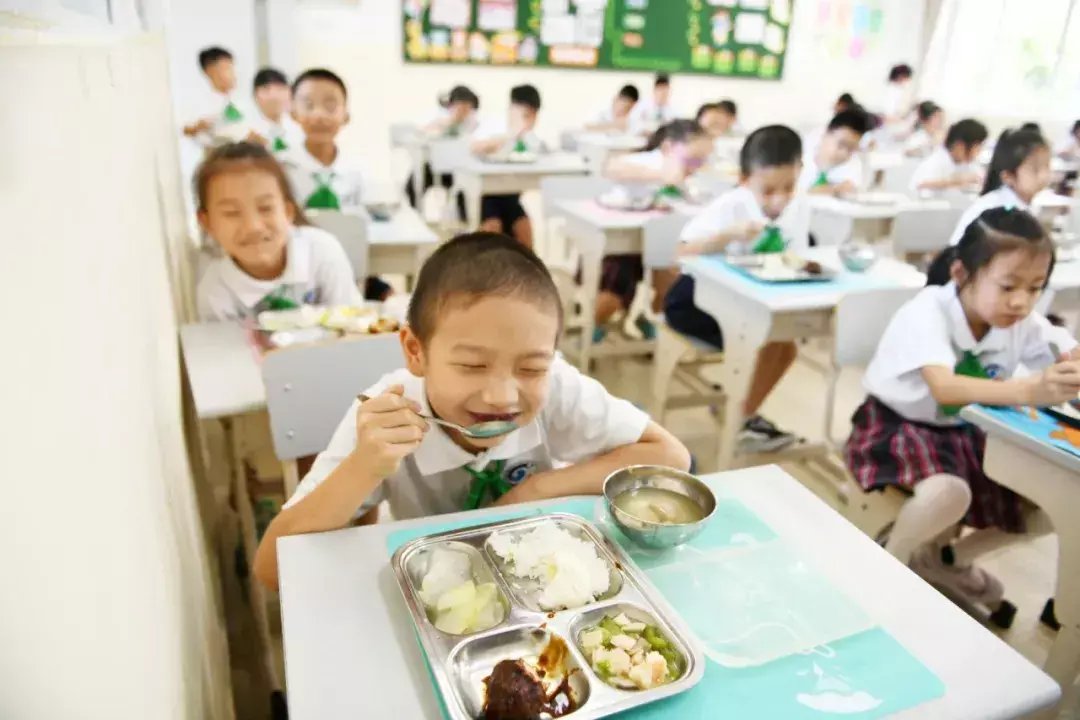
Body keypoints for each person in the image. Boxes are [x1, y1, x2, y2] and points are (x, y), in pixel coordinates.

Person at [252, 232, 692, 589]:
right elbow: (272, 569)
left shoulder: (556, 385)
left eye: (531, 367)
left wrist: (536, 490)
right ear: (415, 350)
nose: (502, 396)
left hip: (534, 575)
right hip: (436, 584)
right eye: (472, 365)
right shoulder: (386, 412)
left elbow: (671, 456)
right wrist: (363, 467)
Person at [845, 207, 1076, 605]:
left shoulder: (1024, 321)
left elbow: (1063, 351)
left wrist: (1069, 367)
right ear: (960, 274)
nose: (1022, 302)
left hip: (965, 432)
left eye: (1036, 287)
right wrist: (1031, 390)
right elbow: (946, 388)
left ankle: (945, 558)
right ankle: (889, 565)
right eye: (1008, 286)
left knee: (1055, 501)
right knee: (949, 493)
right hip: (898, 425)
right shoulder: (927, 311)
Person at [665, 126, 809, 453]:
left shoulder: (800, 208)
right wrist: (728, 235)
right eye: (769, 189)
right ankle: (739, 418)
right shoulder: (731, 205)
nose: (780, 198)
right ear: (746, 178)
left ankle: (740, 416)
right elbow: (679, 254)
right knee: (772, 341)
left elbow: (797, 258)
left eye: (789, 186)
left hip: (753, 304)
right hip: (696, 301)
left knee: (784, 344)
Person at [195, 142, 362, 321]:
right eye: (232, 213)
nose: (253, 226)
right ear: (207, 222)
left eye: (265, 208)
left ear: (288, 211)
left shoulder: (321, 252)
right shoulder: (215, 292)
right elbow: (225, 349)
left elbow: (353, 328)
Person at [280, 68, 392, 300]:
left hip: (349, 270)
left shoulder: (357, 170)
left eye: (330, 106)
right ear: (292, 112)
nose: (319, 115)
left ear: (346, 115)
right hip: (293, 275)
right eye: (308, 105)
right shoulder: (280, 169)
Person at [597, 119, 714, 341]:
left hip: (661, 244)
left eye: (701, 161)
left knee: (673, 278)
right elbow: (611, 167)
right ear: (668, 147)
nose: (695, 167)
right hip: (624, 245)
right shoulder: (651, 161)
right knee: (614, 293)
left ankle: (653, 319)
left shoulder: (688, 177)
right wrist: (660, 175)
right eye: (691, 159)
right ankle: (594, 327)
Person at [944, 128, 1051, 247]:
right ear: (1008, 176)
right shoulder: (1000, 210)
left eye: (1047, 166)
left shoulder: (1022, 204)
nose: (1044, 176)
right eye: (1035, 170)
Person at [470, 84, 547, 248]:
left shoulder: (529, 137)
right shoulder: (493, 124)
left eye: (532, 116)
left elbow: (539, 154)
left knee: (525, 229)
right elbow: (476, 147)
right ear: (512, 108)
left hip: (509, 197)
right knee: (493, 228)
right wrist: (511, 135)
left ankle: (526, 272)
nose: (528, 120)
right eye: (525, 114)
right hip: (483, 196)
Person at [404, 85, 479, 214]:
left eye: (467, 107)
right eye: (459, 106)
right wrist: (447, 123)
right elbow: (422, 133)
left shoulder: (474, 123)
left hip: (461, 169)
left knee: (465, 191)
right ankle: (415, 216)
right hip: (437, 166)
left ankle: (465, 221)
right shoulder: (441, 120)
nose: (463, 111)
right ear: (451, 106)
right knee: (413, 184)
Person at [798, 109, 871, 195]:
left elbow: (853, 188)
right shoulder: (800, 150)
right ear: (826, 133)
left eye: (851, 149)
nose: (844, 153)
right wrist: (833, 189)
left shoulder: (854, 164)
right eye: (841, 144)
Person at [182, 47, 245, 145]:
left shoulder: (240, 98)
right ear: (210, 71)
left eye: (232, 67)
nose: (233, 73)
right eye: (227, 68)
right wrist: (199, 127)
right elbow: (186, 129)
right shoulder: (200, 101)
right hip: (218, 153)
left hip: (245, 152)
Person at [909, 119, 988, 193]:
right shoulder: (936, 161)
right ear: (960, 146)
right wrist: (956, 181)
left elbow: (981, 179)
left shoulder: (969, 164)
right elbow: (920, 186)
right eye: (977, 147)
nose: (979, 152)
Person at [250, 67, 302, 153]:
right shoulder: (249, 133)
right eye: (266, 89)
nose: (274, 96)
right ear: (255, 96)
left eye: (280, 89)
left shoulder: (299, 129)